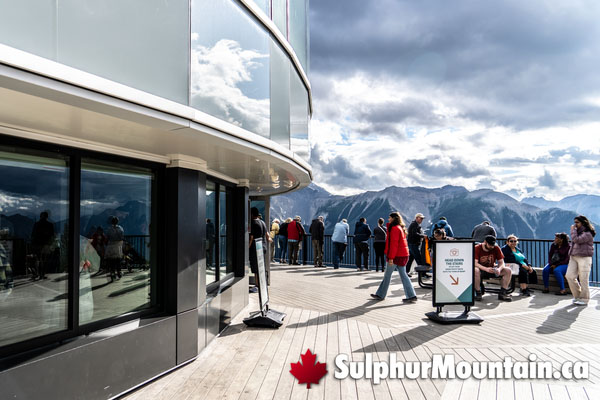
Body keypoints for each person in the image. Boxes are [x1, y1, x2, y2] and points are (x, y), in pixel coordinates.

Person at [370, 212, 416, 302]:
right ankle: (411, 295)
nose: (388, 219)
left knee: (387, 276)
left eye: (390, 217)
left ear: (394, 218)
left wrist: (391, 257)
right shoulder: (400, 228)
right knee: (404, 276)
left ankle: (380, 294)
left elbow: (393, 245)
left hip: (396, 256)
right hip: (402, 255)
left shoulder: (394, 229)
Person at [566, 215, 595, 306]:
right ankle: (578, 296)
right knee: (569, 276)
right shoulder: (577, 232)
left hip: (584, 258)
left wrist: (573, 230)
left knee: (583, 279)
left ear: (583, 223)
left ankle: (585, 299)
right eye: (575, 222)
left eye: (577, 222)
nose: (575, 224)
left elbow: (577, 240)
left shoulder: (588, 233)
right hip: (574, 256)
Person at [474, 235, 512, 301]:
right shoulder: (477, 248)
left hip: (491, 269)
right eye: (490, 245)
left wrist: (499, 269)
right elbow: (475, 263)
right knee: (475, 270)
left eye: (493, 245)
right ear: (485, 242)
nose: (492, 246)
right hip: (481, 270)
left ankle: (502, 293)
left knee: (508, 270)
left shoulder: (496, 248)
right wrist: (486, 269)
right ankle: (478, 293)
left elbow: (501, 262)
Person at [31, 211, 55, 280]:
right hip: (46, 245)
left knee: (38, 259)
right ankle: (42, 274)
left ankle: (37, 274)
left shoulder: (36, 224)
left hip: (37, 244)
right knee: (44, 260)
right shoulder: (50, 225)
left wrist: (33, 244)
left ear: (40, 216)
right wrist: (51, 244)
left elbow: (33, 235)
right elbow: (52, 236)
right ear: (47, 217)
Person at [249, 207, 268, 293]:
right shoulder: (262, 222)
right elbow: (267, 235)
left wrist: (247, 248)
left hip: (255, 248)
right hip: (263, 246)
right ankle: (261, 284)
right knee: (260, 266)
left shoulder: (253, 223)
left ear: (252, 214)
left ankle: (257, 286)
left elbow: (251, 238)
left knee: (256, 267)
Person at [105, 216, 124, 282]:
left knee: (111, 260)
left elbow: (107, 237)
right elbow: (122, 236)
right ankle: (119, 272)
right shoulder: (120, 228)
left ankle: (112, 272)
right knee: (118, 260)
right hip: (118, 245)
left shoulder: (109, 229)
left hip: (111, 245)